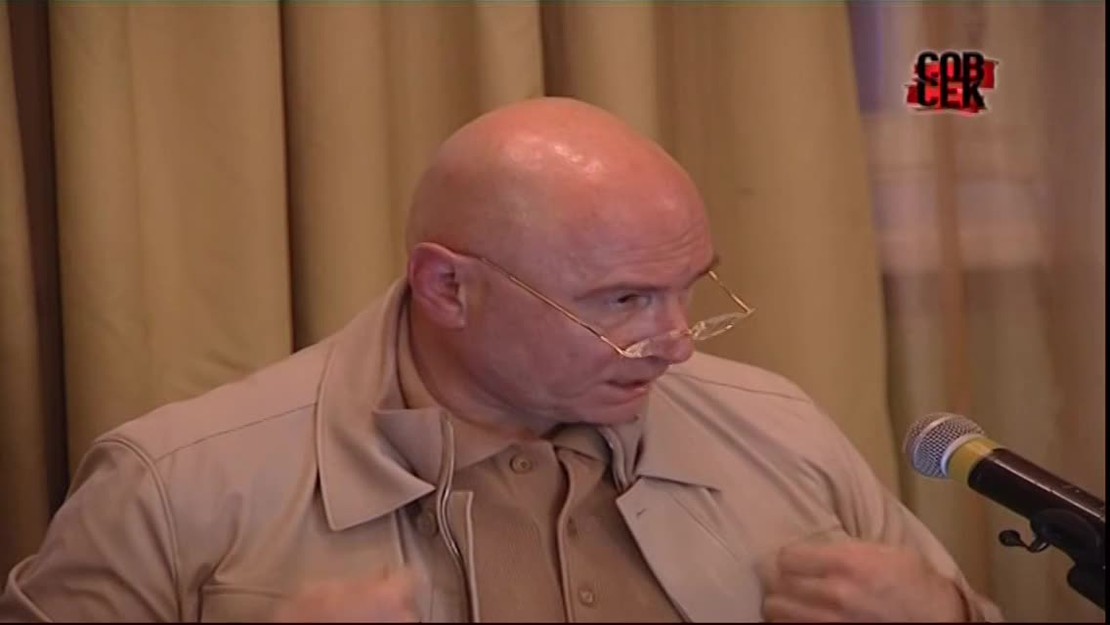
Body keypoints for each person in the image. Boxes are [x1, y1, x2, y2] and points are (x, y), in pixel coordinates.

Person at [0, 97, 1002, 622]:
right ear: (448, 288)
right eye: (622, 300)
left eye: (690, 287)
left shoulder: (778, 429)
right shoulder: (172, 487)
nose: (676, 341)